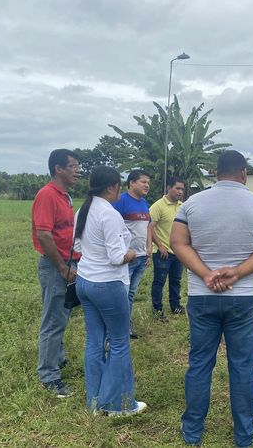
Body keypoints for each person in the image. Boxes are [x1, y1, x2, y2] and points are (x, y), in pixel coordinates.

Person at [171, 150, 253, 447]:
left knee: (199, 363)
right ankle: (245, 434)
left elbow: (178, 243)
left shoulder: (191, 204)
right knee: (243, 365)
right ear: (243, 173)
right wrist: (237, 273)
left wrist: (206, 274)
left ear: (215, 172)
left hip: (202, 296)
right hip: (245, 297)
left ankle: (192, 431)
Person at [74, 166, 147, 416]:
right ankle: (119, 405)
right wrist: (132, 253)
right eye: (119, 185)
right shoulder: (109, 214)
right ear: (111, 187)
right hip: (107, 284)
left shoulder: (83, 210)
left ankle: (94, 400)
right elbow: (117, 258)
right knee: (119, 342)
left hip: (85, 281)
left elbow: (77, 246)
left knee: (94, 341)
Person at [31, 148, 80, 397]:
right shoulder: (47, 195)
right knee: (52, 321)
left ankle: (57, 357)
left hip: (68, 263)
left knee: (61, 315)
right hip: (55, 266)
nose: (77, 171)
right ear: (58, 168)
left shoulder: (65, 196)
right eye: (72, 166)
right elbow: (43, 234)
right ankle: (49, 375)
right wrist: (62, 266)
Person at [112, 169, 152, 339]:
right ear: (132, 183)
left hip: (141, 257)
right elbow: (112, 228)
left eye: (148, 183)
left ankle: (125, 328)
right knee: (122, 295)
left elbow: (148, 227)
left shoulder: (144, 203)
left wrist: (149, 248)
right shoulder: (121, 201)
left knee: (130, 294)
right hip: (127, 258)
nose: (147, 185)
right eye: (143, 182)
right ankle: (116, 331)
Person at [149, 177, 186, 321]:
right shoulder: (158, 206)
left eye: (182, 189)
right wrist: (160, 245)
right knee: (159, 282)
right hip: (162, 252)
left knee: (176, 280)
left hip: (178, 251)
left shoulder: (182, 206)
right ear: (169, 188)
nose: (180, 192)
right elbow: (149, 227)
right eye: (177, 188)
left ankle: (175, 306)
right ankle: (157, 310)